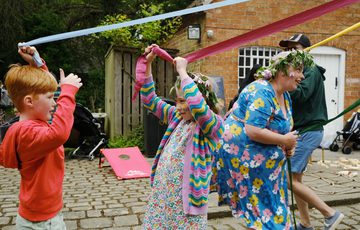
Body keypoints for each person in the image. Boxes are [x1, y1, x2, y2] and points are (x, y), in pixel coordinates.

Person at [215, 50, 314, 229]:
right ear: (282, 70)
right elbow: (253, 130)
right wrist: (284, 140)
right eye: (298, 70)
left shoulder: (285, 95)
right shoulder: (261, 90)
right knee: (263, 210)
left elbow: (282, 128)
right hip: (245, 157)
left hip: (267, 161)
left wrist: (287, 143)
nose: (302, 75)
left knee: (270, 208)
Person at [139, 44, 224, 229]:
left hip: (186, 204)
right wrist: (147, 65)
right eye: (176, 101)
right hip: (163, 199)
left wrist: (183, 72)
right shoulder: (176, 117)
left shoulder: (211, 124)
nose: (178, 106)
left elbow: (197, 106)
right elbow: (149, 100)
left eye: (182, 101)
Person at [0, 46, 82, 229]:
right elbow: (60, 133)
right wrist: (67, 93)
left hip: (36, 216)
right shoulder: (29, 133)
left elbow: (40, 94)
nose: (55, 102)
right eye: (52, 98)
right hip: (43, 223)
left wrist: (37, 63)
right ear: (29, 102)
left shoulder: (29, 125)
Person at [279, 34, 344, 230]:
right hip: (302, 130)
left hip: (308, 131)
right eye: (287, 49)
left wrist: (280, 84)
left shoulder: (311, 70)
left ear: (306, 50)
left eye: (295, 48)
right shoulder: (298, 70)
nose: (290, 52)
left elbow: (301, 95)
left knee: (287, 178)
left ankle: (330, 214)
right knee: (296, 179)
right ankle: (306, 224)